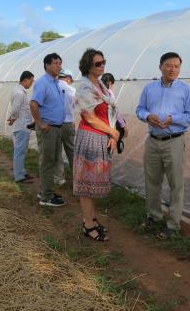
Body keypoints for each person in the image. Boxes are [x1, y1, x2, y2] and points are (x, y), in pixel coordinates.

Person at [136, 52, 190, 239]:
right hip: (154, 140)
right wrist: (148, 116)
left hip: (174, 141)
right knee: (152, 181)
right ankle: (153, 216)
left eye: (176, 66)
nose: (173, 69)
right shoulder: (149, 89)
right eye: (169, 65)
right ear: (160, 66)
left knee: (176, 184)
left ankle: (173, 223)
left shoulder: (185, 91)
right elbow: (140, 109)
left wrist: (173, 119)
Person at [73, 48, 120, 241]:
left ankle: (92, 218)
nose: (102, 66)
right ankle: (88, 225)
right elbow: (90, 118)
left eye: (103, 62)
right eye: (97, 63)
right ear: (87, 66)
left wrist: (112, 135)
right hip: (90, 138)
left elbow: (109, 113)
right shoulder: (85, 88)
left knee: (94, 183)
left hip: (102, 137)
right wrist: (114, 132)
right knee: (86, 185)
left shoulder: (100, 85)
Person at [30, 53, 66, 207]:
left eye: (60, 63)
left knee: (51, 160)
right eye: (56, 63)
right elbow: (33, 104)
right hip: (48, 129)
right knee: (47, 162)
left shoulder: (55, 83)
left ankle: (45, 190)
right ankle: (46, 197)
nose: (59, 65)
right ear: (47, 65)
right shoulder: (43, 83)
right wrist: (40, 123)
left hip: (56, 128)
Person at [8, 71, 35, 184]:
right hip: (22, 125)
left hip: (22, 125)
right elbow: (15, 109)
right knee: (19, 151)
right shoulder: (19, 93)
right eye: (31, 81)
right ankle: (19, 176)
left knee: (21, 150)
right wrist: (13, 117)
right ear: (25, 80)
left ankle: (21, 171)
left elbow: (16, 108)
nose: (31, 84)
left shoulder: (18, 90)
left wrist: (12, 118)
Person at [54, 69, 76, 186]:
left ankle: (59, 178)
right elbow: (75, 106)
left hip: (55, 123)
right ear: (68, 78)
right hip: (68, 122)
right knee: (71, 150)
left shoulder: (53, 88)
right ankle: (76, 177)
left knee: (57, 151)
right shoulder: (72, 90)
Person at [101, 73, 128, 138]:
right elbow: (115, 111)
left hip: (100, 123)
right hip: (108, 124)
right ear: (110, 83)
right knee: (121, 123)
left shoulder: (98, 91)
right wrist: (124, 126)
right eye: (112, 84)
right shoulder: (109, 93)